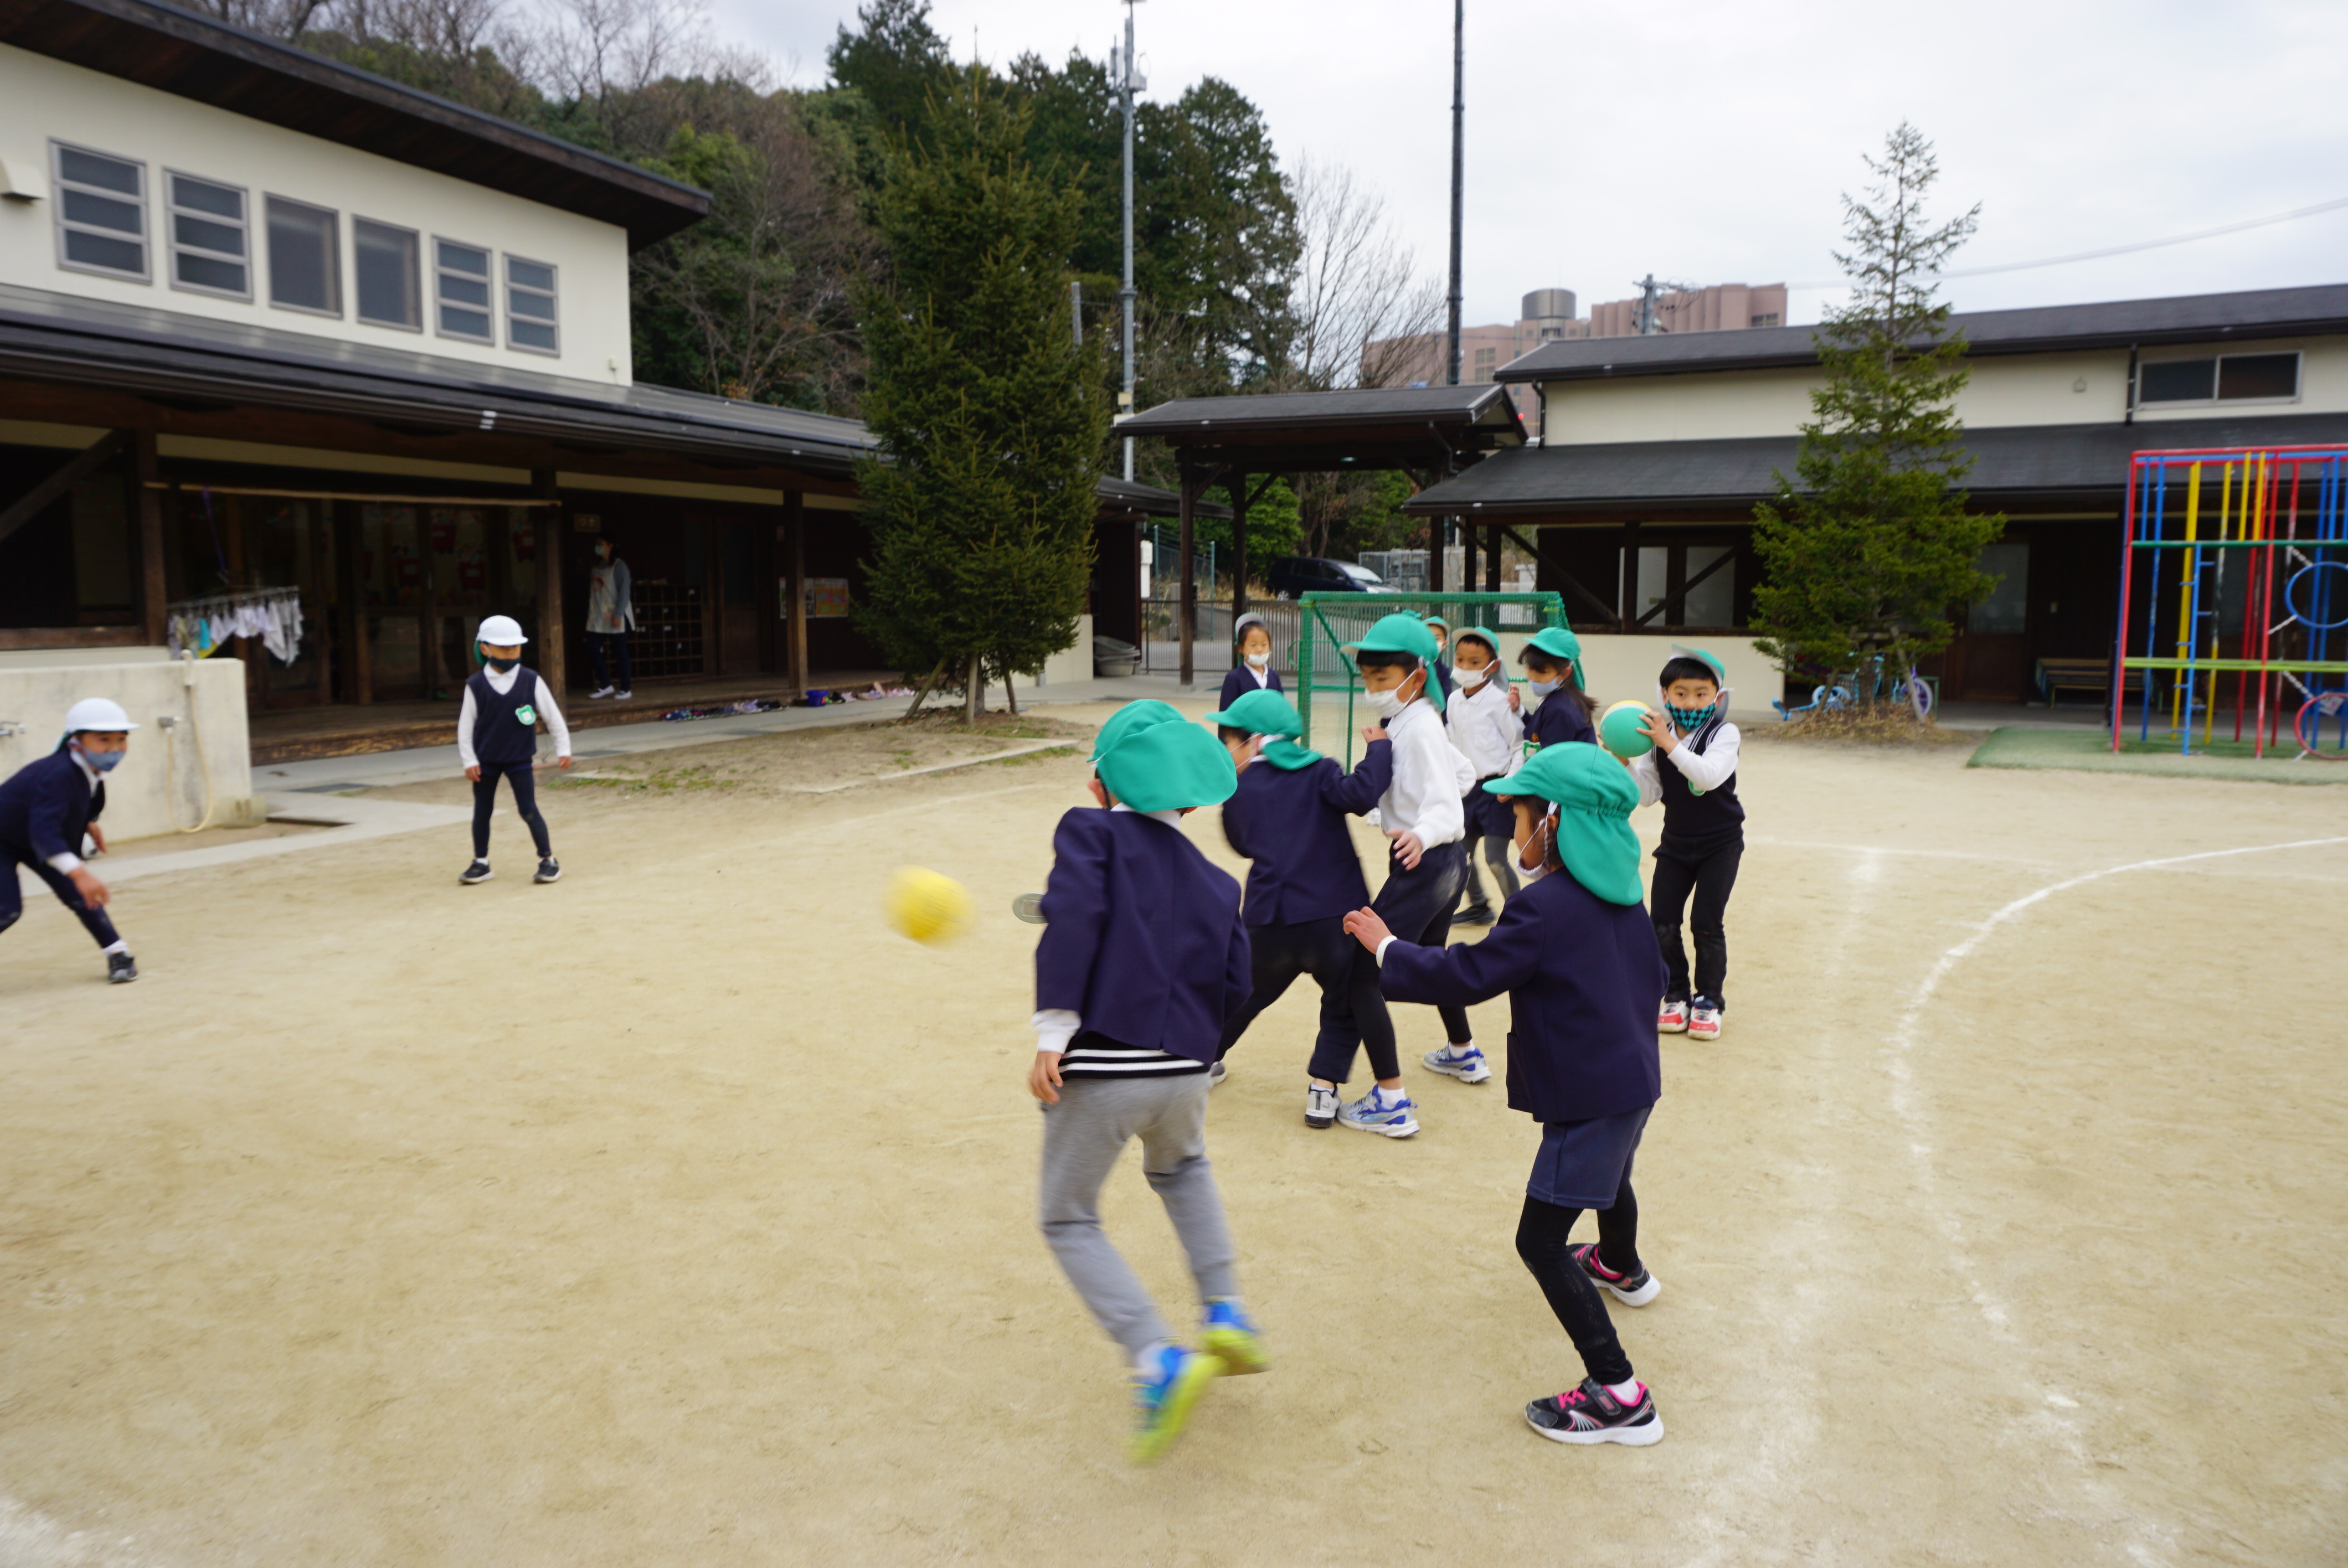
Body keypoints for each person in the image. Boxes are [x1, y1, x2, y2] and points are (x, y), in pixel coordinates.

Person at [1342, 742, 1668, 1447]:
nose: (1511, 828)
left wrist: (1386, 948)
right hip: (1632, 1079)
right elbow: (1657, 977)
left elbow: (1465, 976)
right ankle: (1621, 1266)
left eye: (1520, 814)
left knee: (1540, 1240)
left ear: (1555, 822)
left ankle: (1619, 1394)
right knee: (1610, 1179)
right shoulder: (1622, 893)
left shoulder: (1543, 907)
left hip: (1589, 1094)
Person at [1031, 699, 1267, 1462]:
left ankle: (1155, 1356)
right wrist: (1194, 1049)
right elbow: (1238, 983)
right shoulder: (1213, 881)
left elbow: (1072, 922)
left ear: (1102, 785)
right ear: (1193, 797)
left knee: (1067, 1218)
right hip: (1188, 1068)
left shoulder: (1088, 833)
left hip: (1106, 1064)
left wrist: (1052, 1034)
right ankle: (1225, 1311)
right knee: (1184, 1169)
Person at [1319, 613, 1479, 1134]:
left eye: (1383, 678)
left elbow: (1451, 810)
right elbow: (1464, 774)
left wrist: (1422, 830)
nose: (1373, 689)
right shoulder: (1415, 720)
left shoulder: (1419, 729)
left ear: (1416, 674)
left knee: (1363, 973)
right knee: (1431, 961)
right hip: (1447, 866)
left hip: (1425, 863)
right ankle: (1463, 1052)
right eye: (1367, 678)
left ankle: (1391, 1100)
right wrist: (1399, 814)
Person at [1206, 688, 1394, 1103]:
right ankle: (1323, 1090)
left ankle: (1202, 1062)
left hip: (1269, 917)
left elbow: (1240, 843)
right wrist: (1379, 751)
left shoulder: (1238, 787)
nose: (1227, 749)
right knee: (1344, 1000)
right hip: (1334, 915)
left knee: (1244, 994)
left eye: (1229, 740)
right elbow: (1362, 794)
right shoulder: (1321, 770)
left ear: (1254, 740)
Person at [1630, 649, 1744, 1042]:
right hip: (1676, 843)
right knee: (1661, 922)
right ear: (1665, 695)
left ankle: (1709, 1001)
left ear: (1717, 696)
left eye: (1701, 694)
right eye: (1681, 694)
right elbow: (1647, 795)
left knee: (1706, 924)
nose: (1691, 703)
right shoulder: (1655, 738)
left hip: (1721, 844)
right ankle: (1676, 994)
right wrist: (1623, 761)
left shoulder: (1723, 734)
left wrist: (1668, 743)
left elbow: (1709, 776)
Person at [0, 697, 141, 983]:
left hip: (31, 837)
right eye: (104, 740)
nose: (114, 749)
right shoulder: (59, 772)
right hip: (5, 838)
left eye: (121, 739)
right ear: (75, 740)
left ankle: (118, 954)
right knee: (7, 909)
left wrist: (88, 823)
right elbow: (45, 831)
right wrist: (79, 872)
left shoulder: (88, 769)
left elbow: (79, 802)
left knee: (81, 896)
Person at [457, 614, 571, 886]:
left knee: (528, 809)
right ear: (485, 648)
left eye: (515, 647)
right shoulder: (475, 685)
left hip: (519, 759)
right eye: (503, 647)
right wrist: (469, 760)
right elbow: (465, 726)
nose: (510, 652)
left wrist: (563, 748)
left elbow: (553, 716)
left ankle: (548, 861)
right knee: (482, 811)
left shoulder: (531, 680)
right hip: (486, 761)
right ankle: (481, 863)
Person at [1445, 626, 1524, 930]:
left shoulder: (1500, 702)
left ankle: (1518, 916)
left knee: (1495, 858)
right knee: (1460, 857)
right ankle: (1479, 907)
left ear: (1492, 667)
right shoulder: (1453, 700)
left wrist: (1510, 784)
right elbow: (1452, 744)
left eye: (1474, 662)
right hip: (1466, 790)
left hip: (1497, 789)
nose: (1465, 667)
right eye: (1461, 659)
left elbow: (1519, 746)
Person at [1518, 625, 1600, 756]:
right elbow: (1540, 731)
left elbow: (1550, 763)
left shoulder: (1560, 710)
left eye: (1543, 673)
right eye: (1530, 669)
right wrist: (1519, 711)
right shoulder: (1559, 699)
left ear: (1564, 674)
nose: (1533, 678)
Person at [584, 538, 636, 700]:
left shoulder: (620, 566)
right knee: (592, 648)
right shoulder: (597, 566)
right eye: (597, 544)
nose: (598, 547)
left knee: (620, 652)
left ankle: (626, 688)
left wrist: (618, 614)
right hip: (597, 615)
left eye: (601, 544)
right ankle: (606, 685)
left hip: (615, 616)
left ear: (610, 546)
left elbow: (624, 593)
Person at [1216, 612, 1285, 711]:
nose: (1259, 650)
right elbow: (1226, 716)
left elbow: (1282, 710)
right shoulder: (1234, 679)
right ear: (1241, 648)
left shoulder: (1274, 676)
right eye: (1253, 645)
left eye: (1264, 644)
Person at [1420, 613, 1455, 701]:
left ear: (1444, 644)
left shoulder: (1443, 671)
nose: (1432, 642)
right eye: (1428, 637)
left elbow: (1446, 699)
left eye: (1437, 639)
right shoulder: (1410, 664)